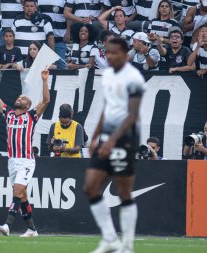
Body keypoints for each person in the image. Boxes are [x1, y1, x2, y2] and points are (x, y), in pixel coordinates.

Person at [84, 37, 145, 253]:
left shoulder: (134, 78)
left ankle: (127, 246)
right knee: (90, 186)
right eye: (107, 53)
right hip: (106, 137)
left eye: (114, 53)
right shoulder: (108, 75)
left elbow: (133, 114)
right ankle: (110, 239)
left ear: (126, 54)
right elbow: (107, 107)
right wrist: (95, 136)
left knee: (123, 191)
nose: (109, 56)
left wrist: (111, 140)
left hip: (126, 138)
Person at [0, 62, 50, 237]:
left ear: (28, 105)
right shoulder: (9, 114)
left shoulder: (31, 115)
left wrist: (44, 81)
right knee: (22, 197)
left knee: (17, 191)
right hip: (12, 161)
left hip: (26, 160)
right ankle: (32, 229)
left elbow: (45, 100)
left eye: (23, 98)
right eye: (19, 97)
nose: (19, 98)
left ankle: (7, 225)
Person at [38, 0, 68, 69]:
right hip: (43, 39)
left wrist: (68, 31)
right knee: (42, 66)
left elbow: (68, 16)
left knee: (60, 67)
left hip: (59, 37)